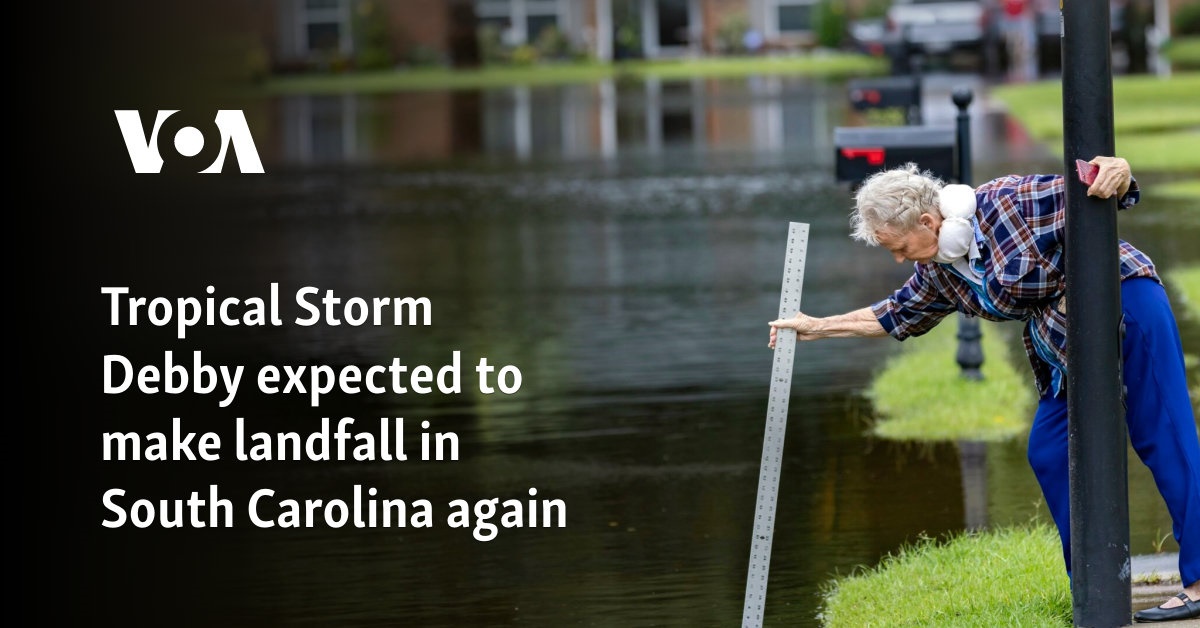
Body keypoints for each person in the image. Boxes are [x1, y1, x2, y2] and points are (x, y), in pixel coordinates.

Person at [768, 157, 1200, 623]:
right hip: (1064, 341)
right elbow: (894, 314)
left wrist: (1114, 171)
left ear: (929, 221)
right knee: (1051, 451)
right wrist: (817, 327)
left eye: (897, 246)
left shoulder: (1009, 202)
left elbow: (1096, 189)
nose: (897, 258)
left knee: (1163, 435)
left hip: (1125, 304)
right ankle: (1095, 587)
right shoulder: (941, 270)